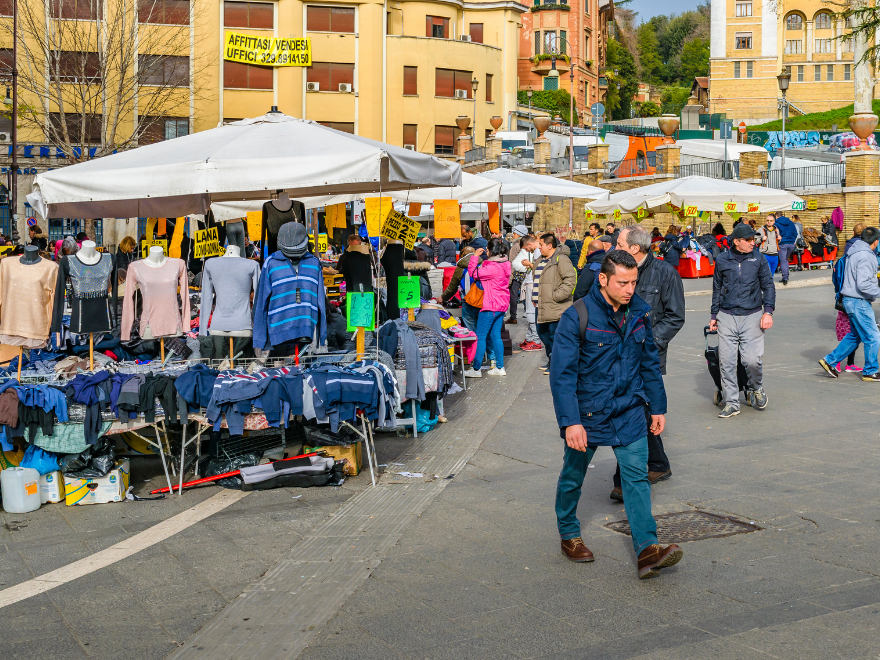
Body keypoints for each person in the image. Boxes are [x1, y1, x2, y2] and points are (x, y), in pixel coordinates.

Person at [550, 249, 682, 579]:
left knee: (636, 478)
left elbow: (649, 362)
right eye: (623, 282)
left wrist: (658, 407)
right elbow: (562, 374)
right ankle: (568, 534)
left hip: (629, 411)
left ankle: (647, 550)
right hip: (588, 413)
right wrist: (571, 422)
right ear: (604, 279)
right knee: (573, 477)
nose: (629, 289)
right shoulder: (576, 316)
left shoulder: (639, 312)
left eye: (634, 282)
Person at [608, 225, 685, 500]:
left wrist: (648, 342)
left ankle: (625, 479)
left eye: (619, 243)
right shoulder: (615, 269)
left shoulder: (665, 273)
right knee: (637, 411)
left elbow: (675, 316)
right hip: (617, 354)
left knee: (632, 411)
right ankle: (659, 463)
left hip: (647, 356)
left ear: (635, 249)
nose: (614, 246)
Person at [710, 223, 776, 417]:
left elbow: (769, 286)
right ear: (736, 241)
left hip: (753, 314)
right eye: (748, 240)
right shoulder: (722, 260)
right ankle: (731, 402)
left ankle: (757, 387)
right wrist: (714, 315)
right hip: (727, 315)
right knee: (727, 361)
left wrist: (768, 311)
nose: (752, 243)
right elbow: (717, 289)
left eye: (753, 239)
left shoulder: (759, 259)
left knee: (752, 360)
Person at [819, 227, 880, 381]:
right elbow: (863, 284)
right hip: (858, 301)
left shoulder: (853, 252)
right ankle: (870, 371)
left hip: (849, 299)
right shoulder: (866, 256)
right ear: (876, 242)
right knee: (873, 336)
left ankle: (830, 361)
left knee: (855, 335)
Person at [463, 239, 511, 378]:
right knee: (496, 336)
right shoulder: (506, 264)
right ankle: (500, 367)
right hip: (501, 305)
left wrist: (475, 257)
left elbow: (473, 274)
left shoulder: (491, 267)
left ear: (491, 251)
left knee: (481, 337)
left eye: (488, 250)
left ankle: (476, 369)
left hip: (490, 306)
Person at [534, 233, 577, 374]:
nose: (538, 247)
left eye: (541, 244)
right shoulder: (540, 259)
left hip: (555, 306)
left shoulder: (561, 259)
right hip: (541, 306)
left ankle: (555, 364)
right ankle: (552, 360)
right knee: (543, 334)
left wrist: (556, 296)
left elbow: (570, 280)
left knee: (554, 336)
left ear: (549, 245)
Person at [517, 236, 543, 352]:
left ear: (529, 244)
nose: (527, 251)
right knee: (529, 312)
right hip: (531, 283)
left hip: (533, 284)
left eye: (526, 249)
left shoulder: (538, 251)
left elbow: (540, 269)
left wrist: (529, 264)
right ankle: (530, 338)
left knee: (531, 312)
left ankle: (536, 341)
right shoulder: (538, 251)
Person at [773, 211, 797, 285]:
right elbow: (795, 233)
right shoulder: (791, 222)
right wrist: (792, 240)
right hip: (791, 243)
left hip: (782, 243)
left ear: (776, 216)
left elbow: (775, 234)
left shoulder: (776, 223)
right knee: (785, 259)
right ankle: (786, 276)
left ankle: (785, 278)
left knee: (783, 260)